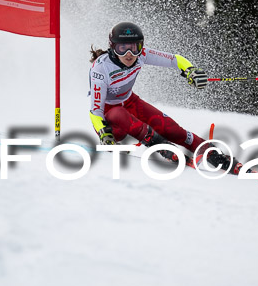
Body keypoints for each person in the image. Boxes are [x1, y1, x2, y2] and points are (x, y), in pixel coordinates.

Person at [88, 21, 243, 174]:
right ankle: (161, 146)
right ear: (113, 48)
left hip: (130, 102)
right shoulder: (101, 68)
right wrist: (104, 134)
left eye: (134, 48)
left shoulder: (141, 55)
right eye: (122, 48)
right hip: (110, 119)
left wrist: (190, 70)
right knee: (118, 113)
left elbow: (174, 59)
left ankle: (215, 156)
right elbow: (96, 110)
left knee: (174, 130)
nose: (129, 54)